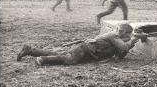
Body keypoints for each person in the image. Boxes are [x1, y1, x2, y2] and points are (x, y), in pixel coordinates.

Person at [16, 23, 145, 66]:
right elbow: (123, 48)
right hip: (86, 49)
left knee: (58, 54)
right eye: (127, 34)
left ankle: (31, 50)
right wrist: (133, 40)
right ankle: (42, 59)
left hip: (85, 48)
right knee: (69, 60)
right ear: (123, 32)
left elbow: (121, 52)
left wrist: (131, 40)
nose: (127, 36)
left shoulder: (115, 34)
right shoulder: (114, 36)